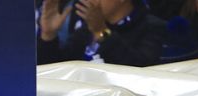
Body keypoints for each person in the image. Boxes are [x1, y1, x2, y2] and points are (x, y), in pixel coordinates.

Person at [38, 0, 166, 66]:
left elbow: (140, 70)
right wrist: (48, 36)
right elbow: (59, 70)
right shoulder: (88, 28)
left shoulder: (151, 26)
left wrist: (101, 32)